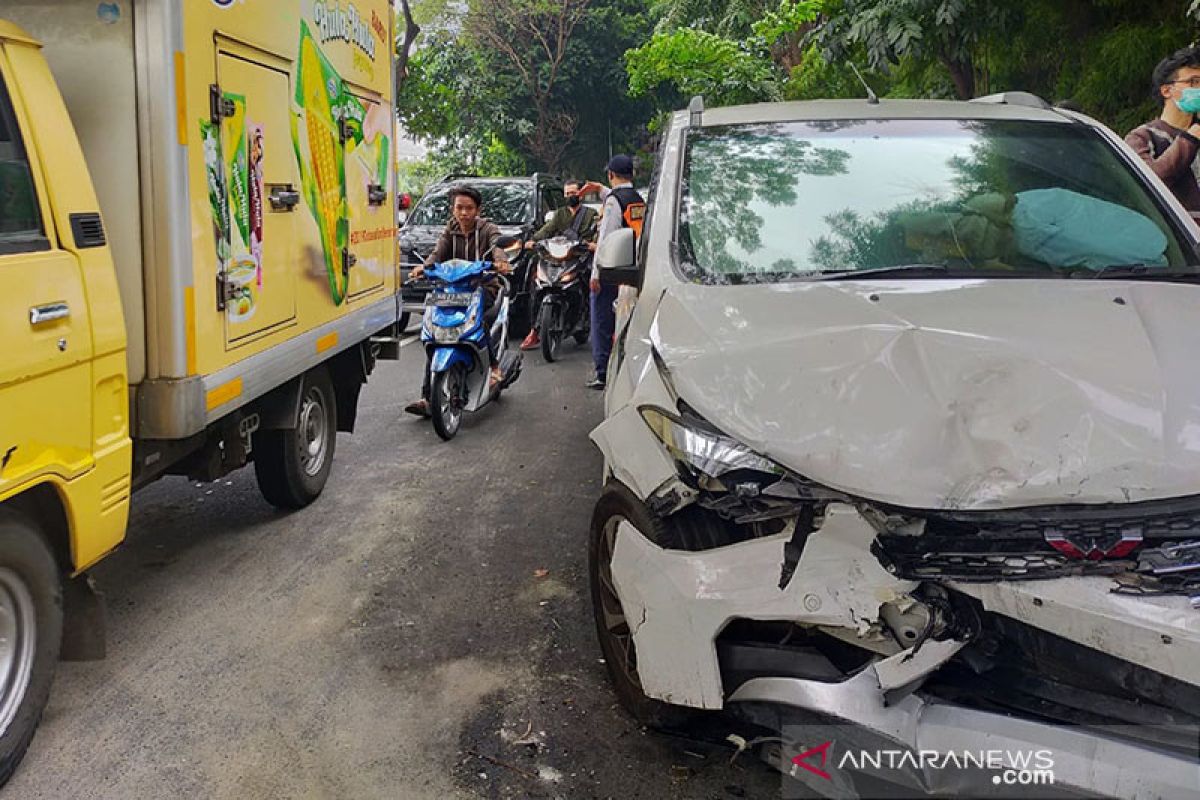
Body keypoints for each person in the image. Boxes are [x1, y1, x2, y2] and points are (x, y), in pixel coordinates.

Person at [404, 185, 511, 418]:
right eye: (459, 208)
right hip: (451, 289)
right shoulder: (449, 231)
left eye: (469, 208)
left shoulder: (487, 229)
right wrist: (424, 268)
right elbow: (437, 254)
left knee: (476, 320)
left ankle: (494, 366)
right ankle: (427, 396)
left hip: (483, 287)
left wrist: (500, 262)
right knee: (435, 333)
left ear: (478, 209)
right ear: (453, 209)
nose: (464, 213)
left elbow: (497, 247)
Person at [580, 155, 644, 390]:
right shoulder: (637, 199)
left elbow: (606, 237)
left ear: (610, 174)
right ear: (632, 175)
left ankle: (602, 372)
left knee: (601, 320)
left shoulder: (613, 202)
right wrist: (600, 189)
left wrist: (596, 274)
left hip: (612, 268)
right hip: (634, 266)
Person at [520, 179, 599, 350]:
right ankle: (534, 331)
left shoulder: (591, 214)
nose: (571, 196)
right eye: (567, 193)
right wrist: (532, 241)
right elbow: (547, 230)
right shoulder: (560, 214)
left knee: (590, 281)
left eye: (573, 193)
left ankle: (590, 319)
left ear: (580, 194)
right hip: (559, 256)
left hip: (580, 256)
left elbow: (597, 233)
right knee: (537, 286)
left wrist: (593, 244)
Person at [1126, 46, 1200, 213]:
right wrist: (1189, 140)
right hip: (1179, 236)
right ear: (1167, 90)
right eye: (1194, 82)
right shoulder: (1141, 137)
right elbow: (1148, 187)